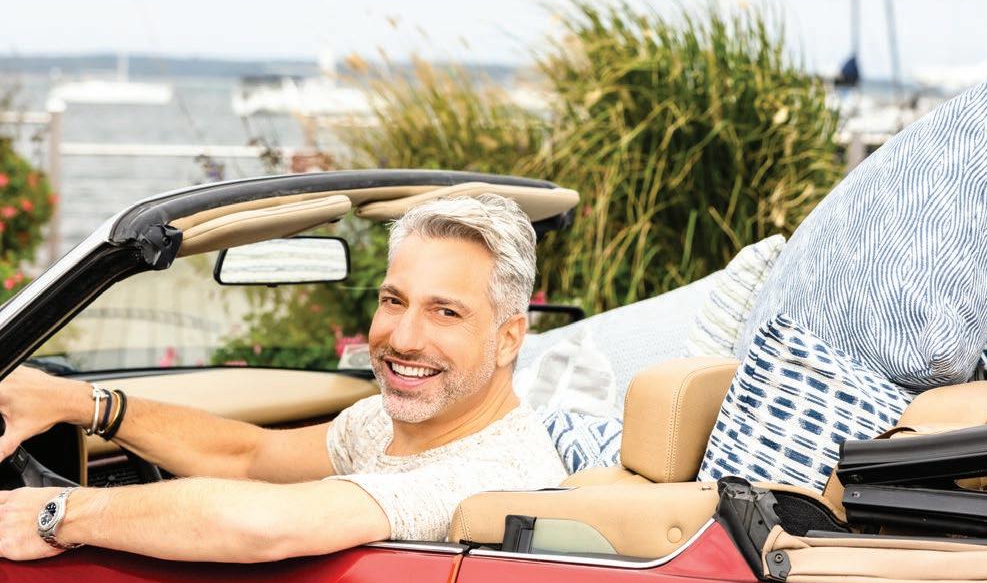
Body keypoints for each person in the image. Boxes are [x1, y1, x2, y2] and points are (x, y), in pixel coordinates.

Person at [0, 193, 566, 562]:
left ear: (509, 337)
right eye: (394, 300)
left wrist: (60, 513)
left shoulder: (491, 474)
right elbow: (249, 456)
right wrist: (83, 403)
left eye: (446, 312)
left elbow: (263, 524)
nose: (404, 338)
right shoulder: (388, 422)